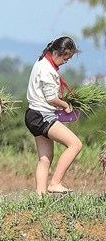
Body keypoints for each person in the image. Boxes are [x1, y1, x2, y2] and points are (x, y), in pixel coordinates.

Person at [25, 36, 82, 195]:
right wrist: (66, 105)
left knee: (45, 158)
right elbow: (51, 99)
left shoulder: (41, 61)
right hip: (42, 116)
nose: (65, 61)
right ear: (56, 52)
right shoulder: (48, 70)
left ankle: (40, 198)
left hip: (32, 115)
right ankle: (55, 183)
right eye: (65, 57)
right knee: (75, 144)